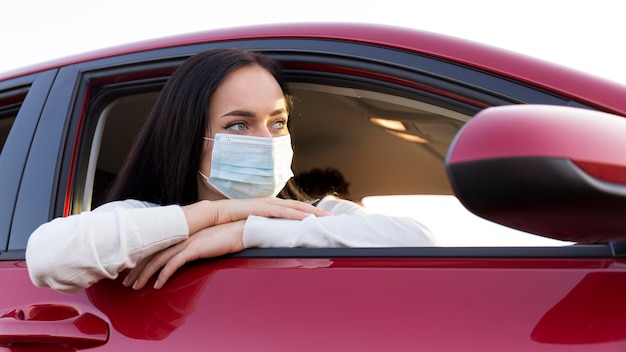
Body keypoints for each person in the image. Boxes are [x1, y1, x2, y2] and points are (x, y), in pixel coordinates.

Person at [26, 48, 435, 294]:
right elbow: (48, 257)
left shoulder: (316, 214)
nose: (266, 138)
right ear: (189, 139)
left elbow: (420, 241)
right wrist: (213, 215)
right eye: (238, 125)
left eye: (277, 123)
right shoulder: (148, 218)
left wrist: (244, 231)